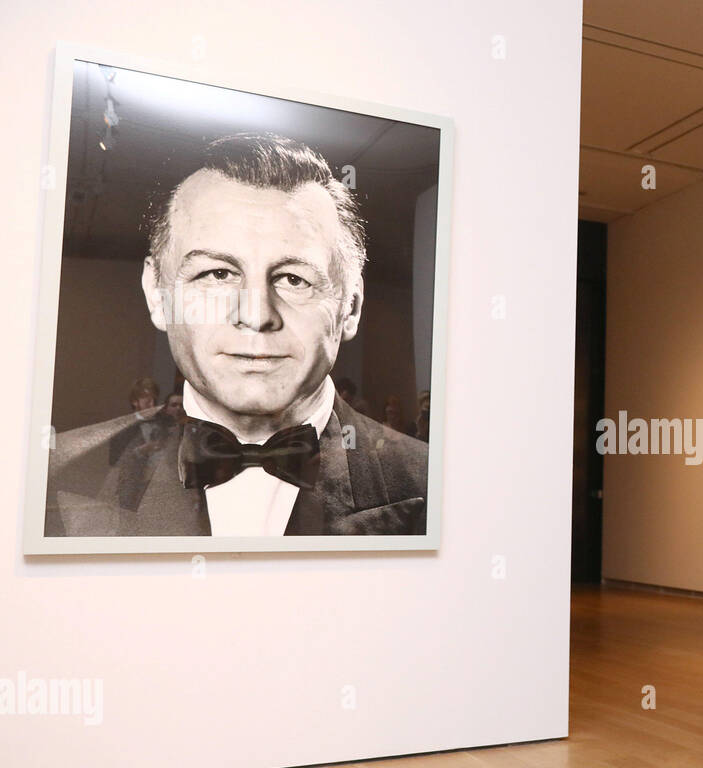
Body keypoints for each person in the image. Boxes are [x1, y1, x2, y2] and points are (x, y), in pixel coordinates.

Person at [44, 133, 427, 538]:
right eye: (217, 274)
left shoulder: (436, 485)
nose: (257, 315)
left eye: (294, 279)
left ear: (350, 307)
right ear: (157, 295)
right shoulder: (48, 476)